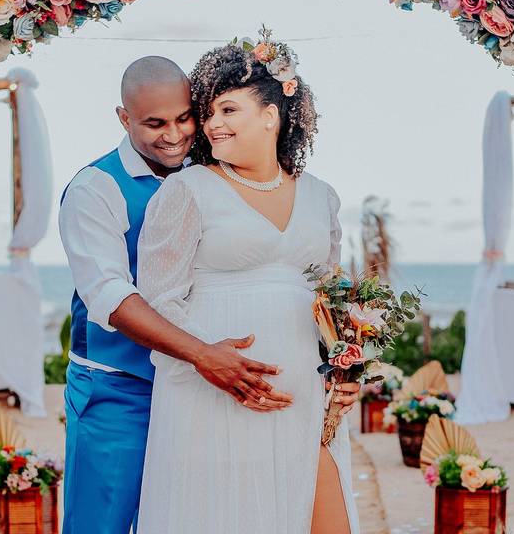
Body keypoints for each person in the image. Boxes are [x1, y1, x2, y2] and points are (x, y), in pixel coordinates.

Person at [58, 55, 312, 534]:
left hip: (200, 389)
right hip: (120, 389)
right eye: (154, 124)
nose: (174, 135)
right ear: (123, 118)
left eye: (183, 118)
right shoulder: (96, 188)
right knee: (103, 523)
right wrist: (201, 355)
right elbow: (110, 296)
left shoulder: (216, 173)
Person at [136, 37, 360, 533]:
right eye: (208, 112)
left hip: (303, 393)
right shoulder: (187, 190)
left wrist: (350, 372)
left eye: (228, 108)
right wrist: (212, 361)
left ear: (272, 114)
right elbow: (158, 300)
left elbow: (337, 305)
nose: (212, 124)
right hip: (213, 393)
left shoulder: (322, 197)